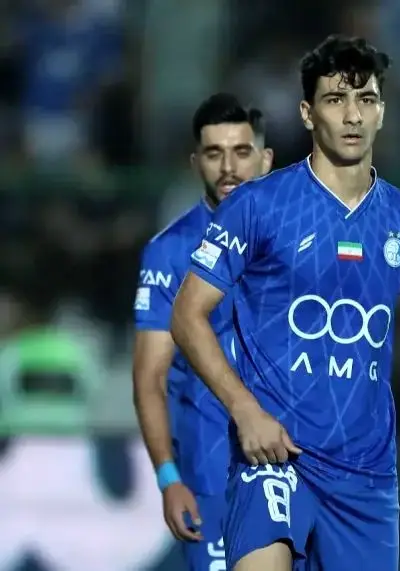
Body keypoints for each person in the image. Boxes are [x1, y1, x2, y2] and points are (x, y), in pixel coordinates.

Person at [171, 35, 400, 571]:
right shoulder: (260, 205)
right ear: (307, 112)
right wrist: (245, 410)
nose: (352, 115)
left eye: (366, 99)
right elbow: (188, 314)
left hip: (365, 476)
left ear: (382, 112)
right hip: (275, 456)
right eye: (335, 99)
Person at [132, 93, 273, 570]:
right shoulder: (169, 252)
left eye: (241, 152)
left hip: (298, 474)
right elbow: (149, 377)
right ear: (196, 163)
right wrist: (168, 478)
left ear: (265, 159)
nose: (228, 168)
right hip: (211, 475)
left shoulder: (304, 243)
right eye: (214, 154)